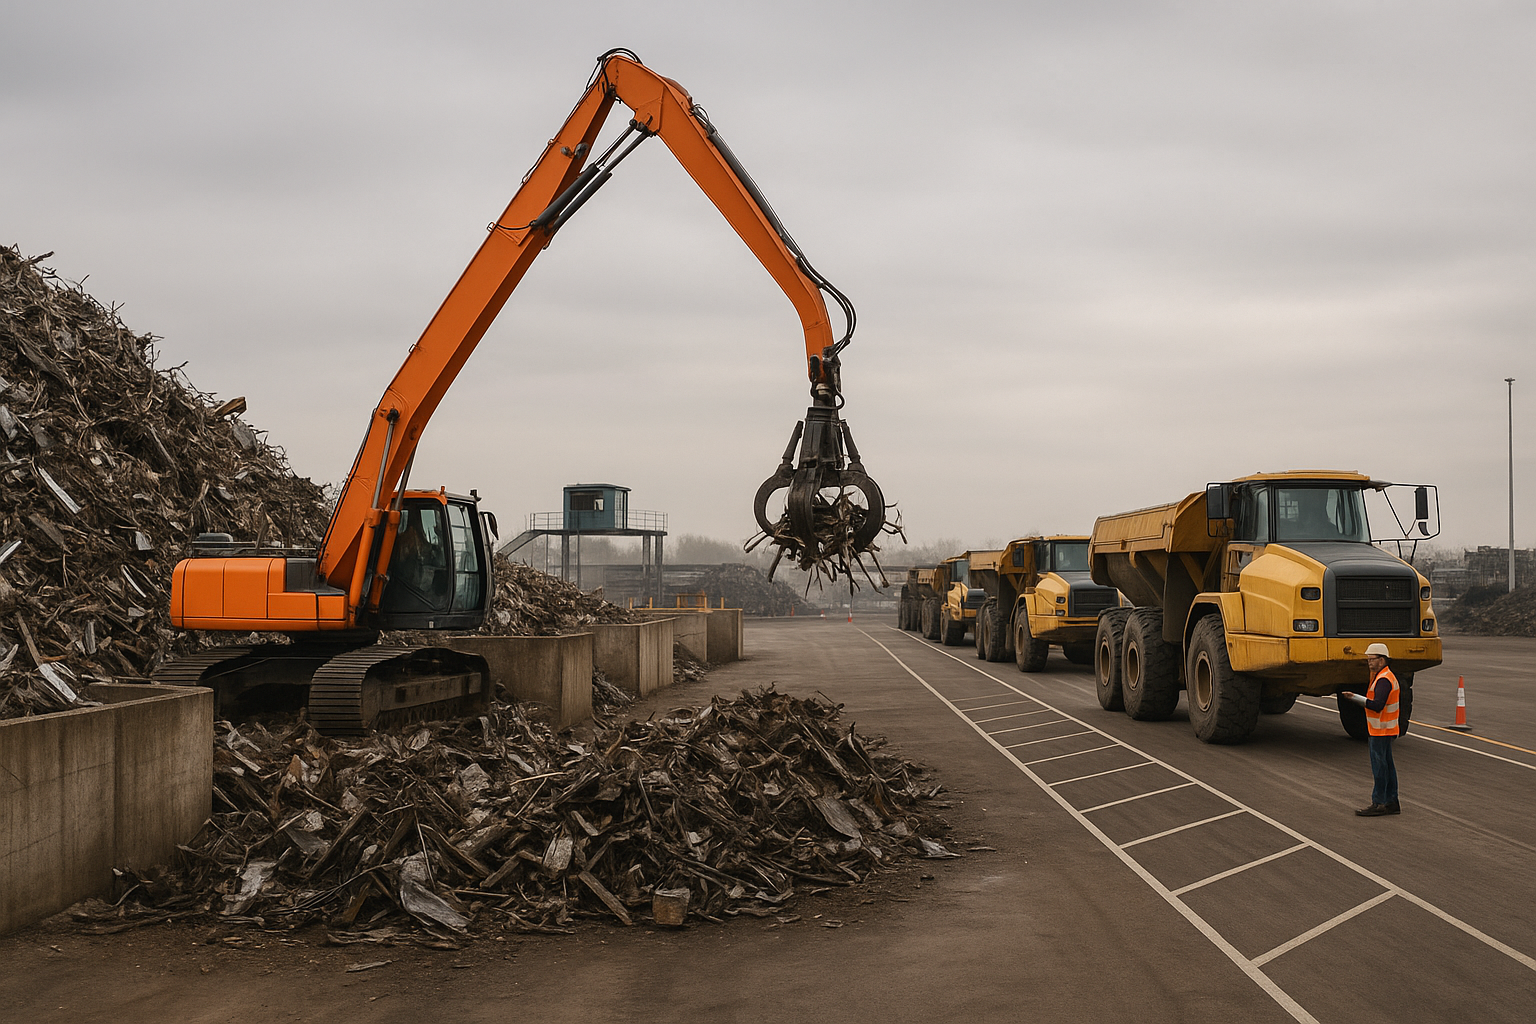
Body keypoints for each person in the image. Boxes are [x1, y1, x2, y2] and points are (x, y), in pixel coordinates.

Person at [1341, 642, 1401, 816]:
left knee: (1380, 767)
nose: (1369, 662)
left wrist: (1355, 698)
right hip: (1385, 729)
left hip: (1380, 730)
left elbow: (1377, 705)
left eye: (1372, 659)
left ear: (1381, 660)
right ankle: (1391, 802)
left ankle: (1380, 802)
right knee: (1388, 766)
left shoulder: (1383, 680)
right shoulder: (1384, 676)